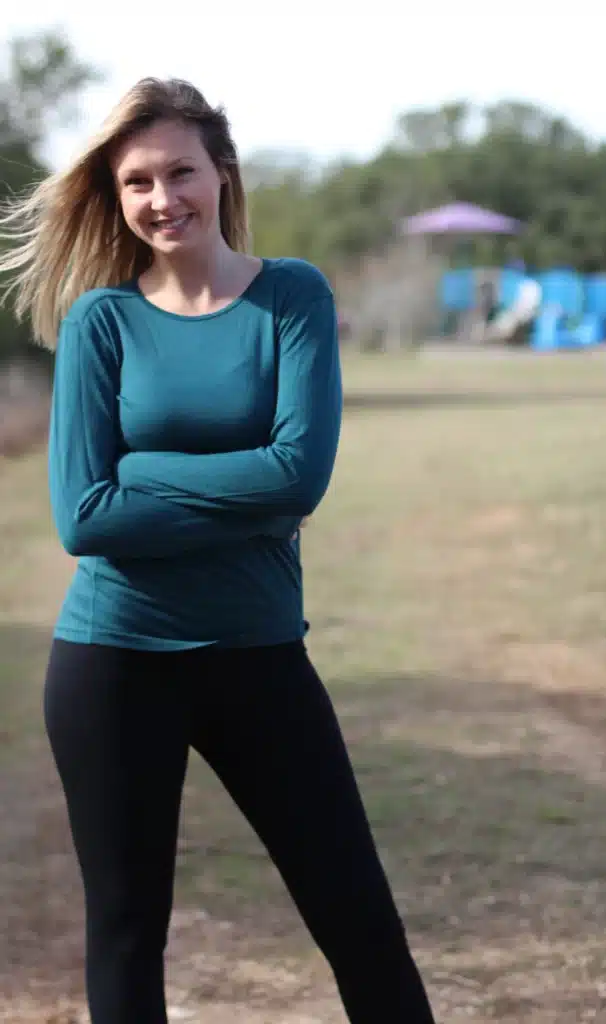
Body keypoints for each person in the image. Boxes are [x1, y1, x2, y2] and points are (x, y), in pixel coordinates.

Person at [0, 78, 437, 1024]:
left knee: (359, 920)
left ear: (223, 175)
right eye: (137, 182)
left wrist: (144, 472)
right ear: (116, 197)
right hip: (112, 660)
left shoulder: (290, 297)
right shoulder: (100, 323)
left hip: (258, 655)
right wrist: (247, 496)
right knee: (125, 933)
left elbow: (298, 478)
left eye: (181, 172)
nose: (163, 199)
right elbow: (84, 516)